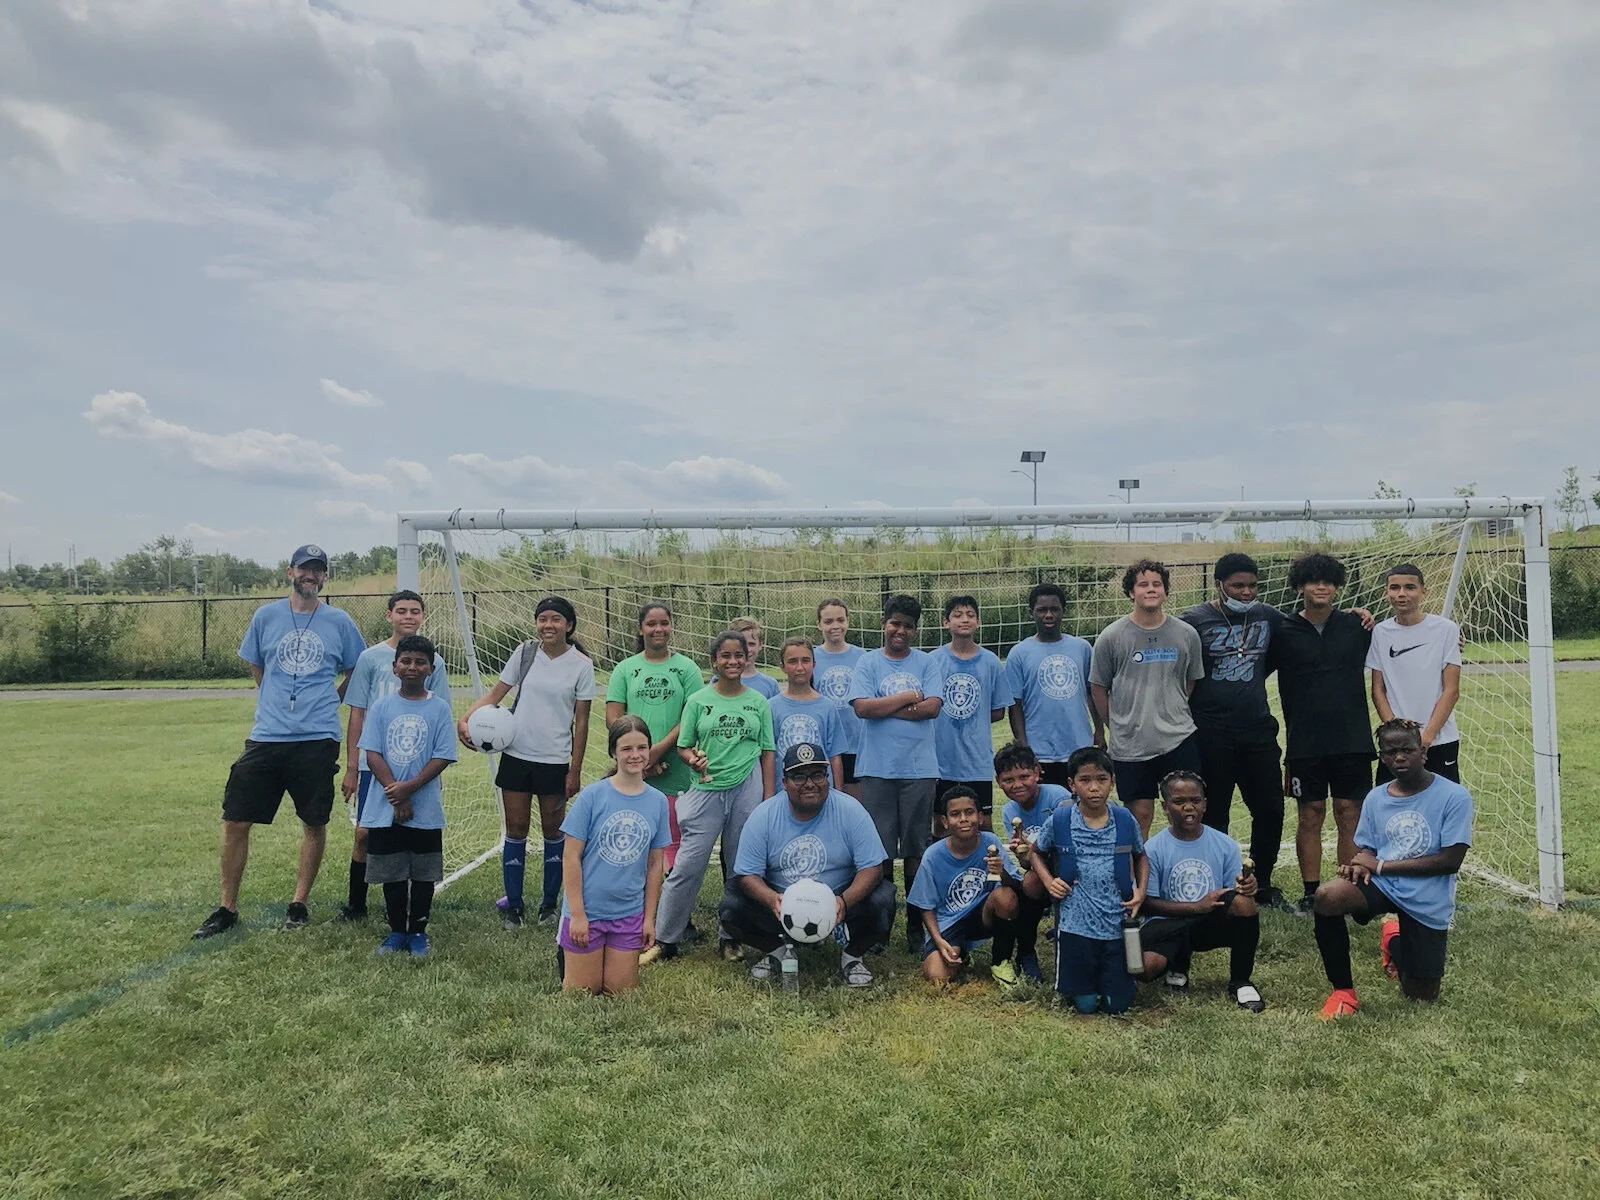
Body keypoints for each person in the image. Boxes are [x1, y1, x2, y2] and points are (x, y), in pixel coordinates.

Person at [193, 543, 367, 939]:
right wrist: (272, 696)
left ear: (324, 577)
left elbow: (358, 666)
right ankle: (226, 907)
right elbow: (258, 664)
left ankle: (299, 902)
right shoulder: (266, 616)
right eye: (304, 569)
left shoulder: (339, 622)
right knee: (236, 819)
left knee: (313, 821)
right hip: (267, 736)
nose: (311, 576)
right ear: (290, 572)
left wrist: (332, 699)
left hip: (317, 738)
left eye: (318, 570)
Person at [1313, 719, 1473, 1018]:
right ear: (1382, 757)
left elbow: (1451, 861)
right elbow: (1368, 849)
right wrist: (1360, 864)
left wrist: (1381, 864)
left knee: (1422, 995)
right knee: (1327, 896)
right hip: (1384, 885)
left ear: (1423, 752)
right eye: (1390, 752)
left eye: (1407, 750)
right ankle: (1343, 993)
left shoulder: (1454, 797)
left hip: (1427, 898)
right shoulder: (1376, 797)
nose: (1399, 757)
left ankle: (1393, 939)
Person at [458, 596, 594, 930]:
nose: (548, 625)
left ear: (569, 625)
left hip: (555, 760)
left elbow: (582, 723)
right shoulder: (525, 653)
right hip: (517, 755)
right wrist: (465, 718)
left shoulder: (581, 664)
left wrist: (573, 770)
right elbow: (496, 694)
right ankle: (514, 907)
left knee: (553, 832)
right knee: (516, 830)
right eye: (543, 619)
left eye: (556, 619)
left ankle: (549, 906)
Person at [642, 629, 776, 964]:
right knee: (688, 865)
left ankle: (731, 936)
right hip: (705, 791)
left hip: (747, 787)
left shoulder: (758, 702)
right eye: (725, 656)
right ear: (714, 660)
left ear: (747, 659)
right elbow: (684, 746)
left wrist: (769, 797)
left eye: (738, 655)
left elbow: (768, 753)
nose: (732, 661)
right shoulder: (699, 701)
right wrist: (692, 760)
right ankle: (665, 939)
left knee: (741, 867)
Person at [719, 742, 895, 988]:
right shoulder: (764, 815)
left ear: (828, 778)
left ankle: (852, 957)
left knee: (884, 898)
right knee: (731, 905)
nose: (809, 783)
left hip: (839, 896)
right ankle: (777, 951)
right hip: (781, 898)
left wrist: (844, 901)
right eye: (799, 776)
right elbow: (746, 874)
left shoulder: (850, 810)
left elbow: (873, 868)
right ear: (784, 782)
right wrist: (772, 899)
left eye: (817, 775)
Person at [1179, 553, 1289, 910]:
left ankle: (1263, 880)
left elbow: (1305, 629)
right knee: (1215, 812)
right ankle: (1220, 879)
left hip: (1258, 730)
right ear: (1219, 585)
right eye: (1237, 586)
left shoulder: (1268, 616)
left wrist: (1355, 616)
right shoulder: (1194, 620)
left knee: (1270, 808)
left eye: (1252, 586)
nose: (1246, 592)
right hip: (1211, 732)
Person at [1269, 553, 1376, 915]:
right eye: (1314, 580)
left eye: (1328, 581)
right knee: (1310, 813)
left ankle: (1346, 888)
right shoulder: (1282, 631)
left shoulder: (1356, 626)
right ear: (1300, 585)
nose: (1321, 587)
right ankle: (1311, 892)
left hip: (1352, 738)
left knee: (1349, 812)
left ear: (1337, 586)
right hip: (1305, 742)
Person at [339, 590, 450, 921]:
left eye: (415, 611)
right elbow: (358, 712)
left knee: (412, 831)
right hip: (376, 763)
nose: (408, 616)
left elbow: (437, 714)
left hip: (415, 765)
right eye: (401, 610)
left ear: (422, 616)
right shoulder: (371, 658)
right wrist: (351, 766)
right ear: (389, 616)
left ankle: (407, 913)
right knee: (364, 832)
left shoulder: (436, 662)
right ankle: (357, 905)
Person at [848, 593, 944, 951]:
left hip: (918, 769)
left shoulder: (927, 662)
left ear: (915, 630)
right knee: (881, 851)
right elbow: (862, 708)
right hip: (877, 770)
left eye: (907, 625)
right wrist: (907, 697)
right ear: (883, 624)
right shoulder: (868, 663)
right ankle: (880, 928)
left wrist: (884, 707)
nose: (900, 630)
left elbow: (932, 707)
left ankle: (917, 929)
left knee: (917, 850)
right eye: (895, 623)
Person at [1027, 746, 1148, 1014]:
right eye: (1085, 780)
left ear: (1112, 782)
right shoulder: (1060, 819)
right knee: (1085, 1005)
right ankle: (1082, 986)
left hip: (1116, 921)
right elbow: (1036, 852)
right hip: (1075, 925)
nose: (1094, 788)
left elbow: (1141, 856)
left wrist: (1140, 891)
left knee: (1116, 1006)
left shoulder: (1124, 819)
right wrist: (1048, 881)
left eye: (1101, 779)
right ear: (1072, 784)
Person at [357, 635, 457, 957]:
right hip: (386, 806)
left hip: (424, 807)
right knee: (393, 871)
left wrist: (409, 788)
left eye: (420, 662)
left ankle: (418, 933)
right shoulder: (381, 707)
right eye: (406, 661)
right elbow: (372, 753)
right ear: (395, 667)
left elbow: (442, 756)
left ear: (431, 668)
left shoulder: (439, 708)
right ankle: (397, 931)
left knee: (423, 872)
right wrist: (395, 795)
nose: (413, 667)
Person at [1089, 559, 1204, 837]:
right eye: (1143, 584)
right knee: (1139, 816)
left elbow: (1190, 681)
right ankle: (1139, 879)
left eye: (1157, 584)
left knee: (1184, 812)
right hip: (1131, 744)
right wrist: (1116, 723)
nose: (1150, 589)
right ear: (1131, 592)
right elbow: (1098, 687)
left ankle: (1182, 874)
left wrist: (1170, 708)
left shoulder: (1186, 634)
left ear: (1165, 591)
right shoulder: (1112, 636)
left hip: (1178, 738)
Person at [558, 715, 671, 996]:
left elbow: (655, 864)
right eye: (626, 749)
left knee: (619, 993)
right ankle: (567, 951)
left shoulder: (657, 801)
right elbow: (570, 857)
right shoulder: (592, 797)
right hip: (589, 911)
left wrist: (648, 919)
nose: (635, 755)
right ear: (613, 752)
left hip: (628, 912)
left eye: (641, 748)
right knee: (583, 993)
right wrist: (578, 915)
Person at [1136, 771, 1265, 1012]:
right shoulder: (1152, 849)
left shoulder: (1224, 844)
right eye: (1178, 802)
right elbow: (1147, 903)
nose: (1188, 807)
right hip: (1168, 924)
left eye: (1195, 800)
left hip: (1208, 922)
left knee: (1245, 905)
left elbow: (1233, 894)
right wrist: (1195, 907)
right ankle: (1177, 963)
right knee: (1143, 969)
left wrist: (1248, 887)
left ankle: (1241, 981)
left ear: (1205, 805)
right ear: (1165, 807)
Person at [604, 601, 703, 874]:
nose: (658, 629)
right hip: (636, 768)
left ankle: (673, 913)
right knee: (634, 839)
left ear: (671, 626)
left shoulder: (687, 668)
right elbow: (613, 717)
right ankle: (634, 906)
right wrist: (639, 752)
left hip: (675, 770)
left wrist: (657, 750)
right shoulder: (625, 669)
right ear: (640, 629)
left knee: (672, 841)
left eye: (663, 623)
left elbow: (691, 717)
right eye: (651, 624)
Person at [909, 786, 1022, 985]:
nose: (963, 819)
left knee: (1005, 897)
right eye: (955, 814)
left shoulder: (991, 842)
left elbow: (1015, 888)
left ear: (980, 817)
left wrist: (1000, 870)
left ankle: (1001, 961)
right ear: (944, 822)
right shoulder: (932, 856)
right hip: (949, 921)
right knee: (937, 977)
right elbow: (925, 906)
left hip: (982, 914)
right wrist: (938, 940)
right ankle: (960, 951)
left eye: (969, 812)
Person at [1367, 564, 1463, 784]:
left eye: (1410, 587)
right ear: (1386, 592)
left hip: (1439, 739)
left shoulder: (1446, 629)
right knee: (1392, 805)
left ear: (1423, 591)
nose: (1402, 594)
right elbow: (1377, 690)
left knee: (1441, 806)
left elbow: (1451, 690)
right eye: (1395, 588)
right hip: (1395, 748)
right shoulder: (1380, 633)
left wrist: (1425, 738)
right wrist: (1397, 736)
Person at [991, 741, 1072, 984]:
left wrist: (1034, 852)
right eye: (1008, 780)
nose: (1017, 785)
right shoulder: (1009, 811)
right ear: (998, 782)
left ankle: (1068, 937)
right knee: (1030, 883)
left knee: (1035, 881)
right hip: (1044, 871)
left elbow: (1070, 848)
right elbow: (1027, 864)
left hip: (1071, 867)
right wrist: (1024, 853)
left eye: (1024, 776)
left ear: (1037, 772)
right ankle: (1026, 951)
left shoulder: (1058, 797)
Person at [1005, 583, 1100, 787]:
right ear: (1031, 612)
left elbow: (1092, 695)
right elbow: (1015, 705)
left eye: (1054, 609)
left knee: (1082, 808)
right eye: (1042, 610)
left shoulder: (1082, 648)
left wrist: (1099, 732)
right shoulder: (1019, 653)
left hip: (1079, 747)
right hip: (1040, 751)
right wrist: (1024, 747)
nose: (1049, 615)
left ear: (1063, 612)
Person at [931, 595, 1013, 831]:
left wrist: (971, 719)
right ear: (945, 622)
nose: (964, 620)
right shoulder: (933, 661)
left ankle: (987, 868)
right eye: (957, 615)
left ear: (978, 621)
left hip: (977, 761)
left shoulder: (991, 662)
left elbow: (998, 711)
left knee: (982, 823)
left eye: (970, 615)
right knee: (942, 824)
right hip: (940, 762)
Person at [768, 637, 845, 789]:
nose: (800, 667)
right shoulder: (771, 707)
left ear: (814, 664)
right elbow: (769, 756)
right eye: (792, 661)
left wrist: (838, 792)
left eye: (805, 660)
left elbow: (835, 755)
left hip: (819, 790)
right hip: (783, 790)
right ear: (782, 666)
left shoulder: (827, 706)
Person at [812, 599, 867, 801]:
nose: (835, 626)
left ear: (848, 622)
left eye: (840, 620)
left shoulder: (862, 657)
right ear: (819, 624)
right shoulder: (811, 658)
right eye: (828, 621)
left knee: (854, 803)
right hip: (824, 743)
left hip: (856, 743)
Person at [729, 616, 780, 699]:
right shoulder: (720, 681)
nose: (747, 649)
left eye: (751, 644)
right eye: (742, 644)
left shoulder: (770, 684)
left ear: (760, 645)